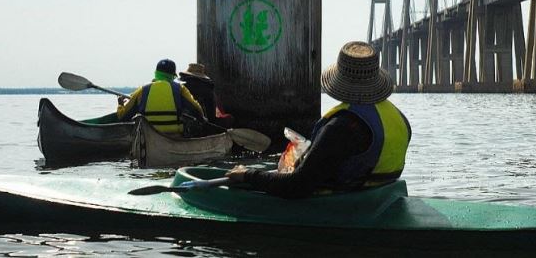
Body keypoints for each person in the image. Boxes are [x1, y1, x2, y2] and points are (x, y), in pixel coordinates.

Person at [226, 41, 411, 198]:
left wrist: (248, 175)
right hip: (383, 196)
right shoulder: (398, 117)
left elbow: (297, 186)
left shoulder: (341, 126)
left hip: (344, 203)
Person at [117, 59, 206, 136]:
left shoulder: (142, 90)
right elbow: (196, 109)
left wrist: (120, 105)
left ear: (156, 73)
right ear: (173, 75)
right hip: (174, 136)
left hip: (147, 137)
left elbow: (123, 117)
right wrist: (202, 119)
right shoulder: (180, 89)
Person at [178, 63, 234, 127]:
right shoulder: (207, 90)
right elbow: (211, 115)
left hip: (182, 121)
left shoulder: (181, 86)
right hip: (201, 123)